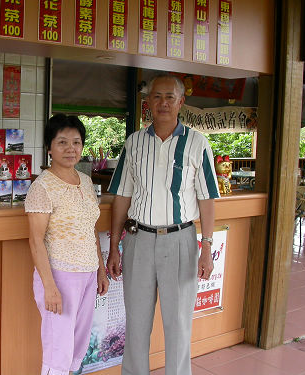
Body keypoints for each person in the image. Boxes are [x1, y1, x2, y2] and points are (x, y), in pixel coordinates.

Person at [107, 73, 220, 375]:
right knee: (136, 324)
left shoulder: (198, 144)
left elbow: (207, 199)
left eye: (170, 97)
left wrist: (206, 247)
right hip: (138, 241)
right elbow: (121, 196)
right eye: (157, 96)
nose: (163, 103)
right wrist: (114, 247)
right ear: (147, 102)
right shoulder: (134, 143)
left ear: (181, 102)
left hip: (180, 241)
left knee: (179, 324)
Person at [25, 114, 109, 375]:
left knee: (77, 346)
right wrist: (49, 287)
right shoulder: (43, 187)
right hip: (59, 276)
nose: (70, 148)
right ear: (49, 147)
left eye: (76, 142)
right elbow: (35, 240)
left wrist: (100, 270)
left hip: (87, 275)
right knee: (58, 349)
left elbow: (90, 227)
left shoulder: (84, 180)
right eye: (62, 142)